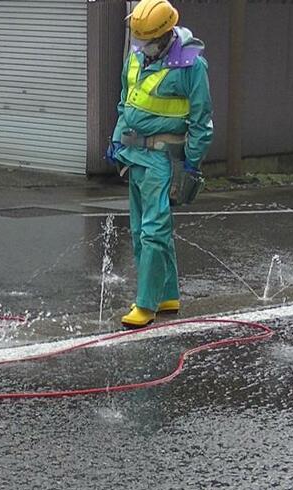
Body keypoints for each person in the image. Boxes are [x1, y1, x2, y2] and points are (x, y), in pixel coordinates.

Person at [106, 0, 213, 329]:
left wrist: (191, 165)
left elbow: (201, 120)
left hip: (163, 159)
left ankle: (146, 304)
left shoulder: (190, 65)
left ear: (166, 35)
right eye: (137, 40)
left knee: (152, 232)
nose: (140, 47)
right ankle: (168, 294)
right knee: (142, 232)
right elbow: (126, 102)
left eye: (146, 41)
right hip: (135, 155)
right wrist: (117, 139)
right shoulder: (136, 57)